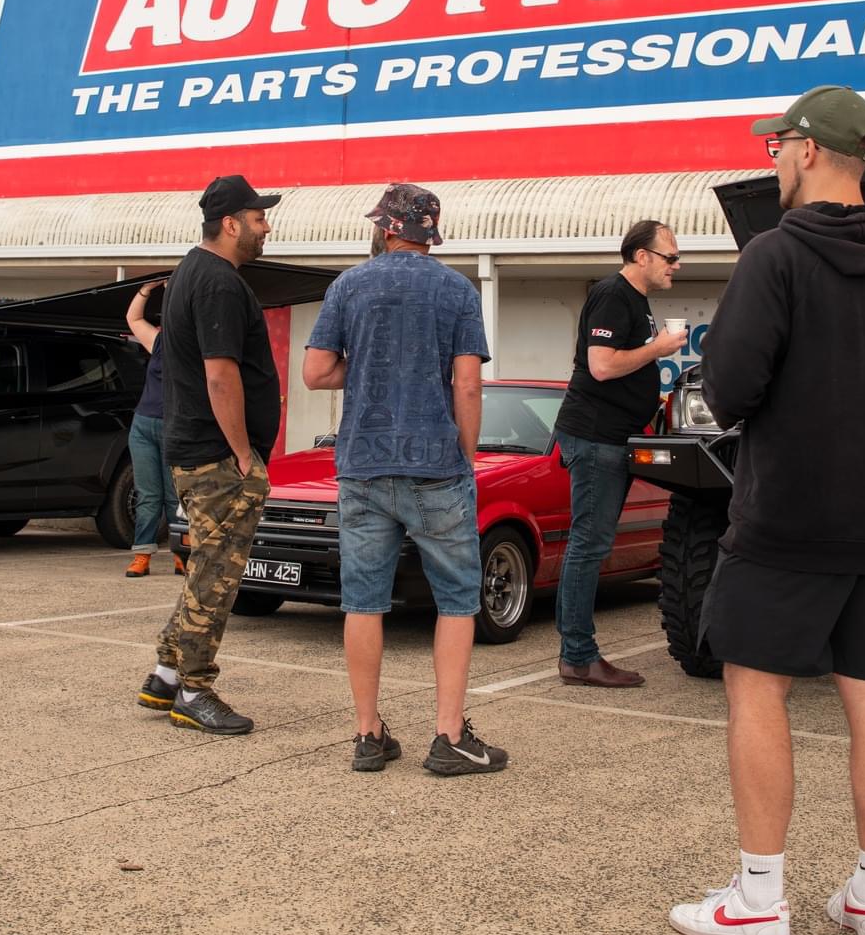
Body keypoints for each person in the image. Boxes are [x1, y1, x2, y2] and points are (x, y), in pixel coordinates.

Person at [669, 86, 865, 935]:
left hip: (788, 515)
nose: (771, 160)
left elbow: (728, 390)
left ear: (804, 150)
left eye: (775, 147)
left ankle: (760, 899)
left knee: (757, 686)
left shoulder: (774, 254)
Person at [303, 184, 506, 777]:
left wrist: (363, 366)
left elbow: (316, 373)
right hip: (436, 466)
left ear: (388, 229)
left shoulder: (348, 285)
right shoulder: (457, 291)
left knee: (363, 602)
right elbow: (468, 385)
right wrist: (465, 458)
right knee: (457, 602)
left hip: (362, 465)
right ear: (427, 234)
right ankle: (448, 737)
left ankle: (368, 734)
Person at [136, 174, 282, 737]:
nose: (265, 227)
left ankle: (165, 675)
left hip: (196, 449)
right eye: (259, 217)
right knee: (219, 574)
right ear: (231, 223)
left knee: (205, 568)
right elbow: (220, 376)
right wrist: (243, 453)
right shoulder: (218, 282)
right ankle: (195, 690)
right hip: (218, 457)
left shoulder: (190, 273)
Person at [549, 219, 687, 687]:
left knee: (593, 544)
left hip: (613, 436)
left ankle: (579, 653)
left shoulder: (636, 301)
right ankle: (578, 655)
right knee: (589, 546)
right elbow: (602, 367)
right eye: (669, 256)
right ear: (641, 256)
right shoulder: (613, 294)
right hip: (594, 436)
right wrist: (659, 348)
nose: (677, 265)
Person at [122, 279, 182, 578]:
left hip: (175, 427)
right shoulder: (158, 342)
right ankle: (142, 554)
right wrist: (147, 290)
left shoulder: (198, 350)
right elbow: (133, 318)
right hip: (143, 426)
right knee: (148, 495)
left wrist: (175, 291)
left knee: (174, 496)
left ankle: (181, 553)